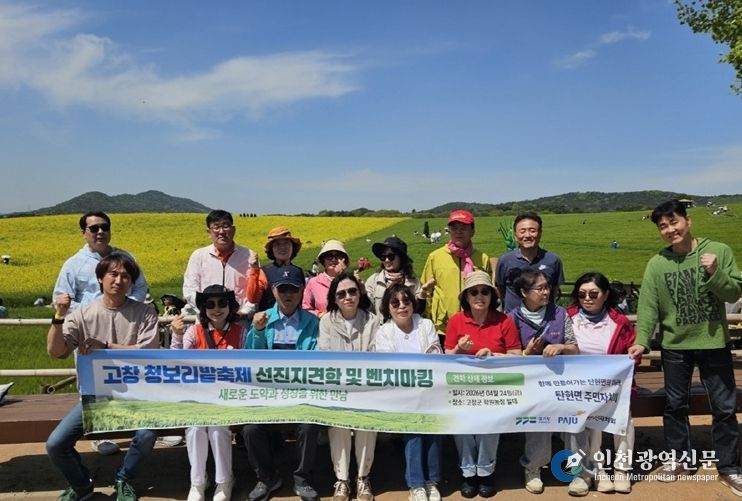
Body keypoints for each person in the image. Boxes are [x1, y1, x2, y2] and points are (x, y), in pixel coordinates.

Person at [627, 200, 742, 496]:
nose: (670, 230)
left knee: (725, 407)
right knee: (675, 405)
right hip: (675, 347)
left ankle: (729, 467)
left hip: (714, 344)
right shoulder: (657, 263)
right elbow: (648, 306)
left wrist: (715, 272)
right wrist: (642, 340)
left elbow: (733, 292)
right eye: (663, 226)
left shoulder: (718, 251)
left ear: (688, 221)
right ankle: (679, 459)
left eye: (674, 222)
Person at [46, 254, 159, 501]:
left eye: (126, 276)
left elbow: (148, 352)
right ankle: (81, 485)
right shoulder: (82, 314)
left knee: (147, 435)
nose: (119, 280)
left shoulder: (145, 312)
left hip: (137, 396)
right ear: (100, 278)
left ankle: (124, 478)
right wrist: (58, 317)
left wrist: (106, 346)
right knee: (55, 444)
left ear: (132, 282)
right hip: (95, 396)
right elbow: (57, 352)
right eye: (113, 274)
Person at [52, 211, 149, 456]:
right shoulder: (73, 264)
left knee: (133, 377)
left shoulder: (125, 257)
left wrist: (126, 306)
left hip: (127, 322)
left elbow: (140, 286)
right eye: (93, 228)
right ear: (83, 233)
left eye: (104, 227)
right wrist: (90, 314)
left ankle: (144, 428)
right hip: (89, 329)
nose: (100, 232)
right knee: (92, 383)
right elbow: (61, 298)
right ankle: (100, 432)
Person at [242, 264, 322, 501]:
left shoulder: (313, 323)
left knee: (309, 425)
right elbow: (250, 358)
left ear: (302, 291)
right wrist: (257, 331)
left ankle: (302, 478)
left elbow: (317, 358)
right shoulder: (262, 319)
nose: (288, 295)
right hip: (267, 393)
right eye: (283, 289)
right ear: (274, 291)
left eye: (293, 289)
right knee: (250, 429)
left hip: (301, 393)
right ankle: (266, 477)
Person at [444, 271, 521, 498]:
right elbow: (446, 358)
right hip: (462, 386)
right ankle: (468, 472)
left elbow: (516, 354)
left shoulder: (504, 321)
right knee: (463, 428)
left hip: (495, 386)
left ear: (492, 296)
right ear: (466, 297)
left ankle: (486, 471)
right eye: (474, 292)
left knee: (489, 427)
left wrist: (494, 355)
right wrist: (459, 349)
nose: (480, 296)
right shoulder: (456, 321)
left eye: (485, 292)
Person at [565, 272, 638, 495]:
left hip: (614, 387)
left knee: (624, 420)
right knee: (587, 424)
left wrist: (635, 353)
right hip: (579, 387)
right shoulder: (568, 317)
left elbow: (632, 350)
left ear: (605, 295)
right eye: (582, 294)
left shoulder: (619, 321)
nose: (587, 298)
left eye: (593, 294)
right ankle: (594, 470)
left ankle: (622, 469)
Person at [507, 269, 578, 495]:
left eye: (547, 287)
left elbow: (574, 348)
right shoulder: (512, 317)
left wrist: (561, 346)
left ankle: (575, 470)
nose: (546, 292)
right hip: (529, 384)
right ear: (523, 292)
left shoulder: (559, 313)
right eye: (540, 288)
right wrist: (527, 353)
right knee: (537, 422)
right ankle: (533, 467)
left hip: (561, 381)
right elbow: (509, 355)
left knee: (573, 421)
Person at [171, 285, 245, 501]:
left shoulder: (241, 332)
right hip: (199, 397)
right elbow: (178, 362)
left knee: (218, 428)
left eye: (222, 303)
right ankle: (198, 482)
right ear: (203, 308)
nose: (216, 309)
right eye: (210, 304)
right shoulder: (194, 332)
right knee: (194, 428)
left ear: (230, 306)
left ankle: (225, 480)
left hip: (229, 398)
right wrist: (176, 335)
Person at [376, 284, 443, 501]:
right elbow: (389, 366)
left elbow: (436, 355)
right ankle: (416, 484)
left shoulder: (425, 325)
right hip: (400, 395)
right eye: (395, 303)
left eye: (406, 301)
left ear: (413, 303)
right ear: (388, 307)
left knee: (433, 427)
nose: (402, 306)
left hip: (429, 391)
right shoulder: (384, 332)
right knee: (414, 428)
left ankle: (432, 481)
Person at [317, 272, 379, 501]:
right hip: (338, 389)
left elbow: (375, 355)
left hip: (366, 389)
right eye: (341, 294)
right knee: (339, 424)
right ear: (334, 299)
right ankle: (342, 479)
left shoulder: (372, 320)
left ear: (359, 294)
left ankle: (363, 477)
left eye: (352, 291)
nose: (348, 297)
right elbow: (325, 356)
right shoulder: (326, 321)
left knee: (366, 422)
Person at [421, 209, 492, 341]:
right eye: (454, 228)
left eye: (463, 228)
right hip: (443, 327)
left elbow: (489, 292)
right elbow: (426, 291)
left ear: (472, 231)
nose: (458, 232)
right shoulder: (435, 257)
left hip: (475, 323)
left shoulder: (482, 258)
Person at [182, 210, 256, 313]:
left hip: (240, 318)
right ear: (209, 232)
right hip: (207, 318)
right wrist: (207, 310)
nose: (221, 231)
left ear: (233, 230)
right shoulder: (198, 256)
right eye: (216, 227)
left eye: (226, 226)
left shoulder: (249, 256)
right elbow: (190, 289)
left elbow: (256, 289)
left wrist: (244, 312)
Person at [495, 212, 565, 313]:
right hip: (513, 319)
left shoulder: (553, 260)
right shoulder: (505, 260)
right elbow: (500, 289)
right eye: (522, 231)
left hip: (545, 318)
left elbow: (554, 289)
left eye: (532, 231)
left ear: (540, 233)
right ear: (515, 235)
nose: (527, 235)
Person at [366, 236, 432, 315]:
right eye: (383, 257)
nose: (386, 260)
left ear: (401, 258)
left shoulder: (413, 282)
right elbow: (367, 310)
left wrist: (422, 296)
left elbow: (418, 312)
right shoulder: (373, 280)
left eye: (391, 256)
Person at [245, 226, 303, 311]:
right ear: (271, 249)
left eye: (286, 243)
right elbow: (253, 299)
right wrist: (254, 270)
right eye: (277, 244)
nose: (282, 247)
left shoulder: (298, 271)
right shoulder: (263, 272)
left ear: (292, 247)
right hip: (268, 318)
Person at [303, 240, 349, 317]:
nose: (333, 260)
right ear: (323, 260)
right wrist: (319, 315)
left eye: (338, 255)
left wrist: (342, 276)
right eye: (329, 256)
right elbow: (306, 308)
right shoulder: (314, 282)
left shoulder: (352, 280)